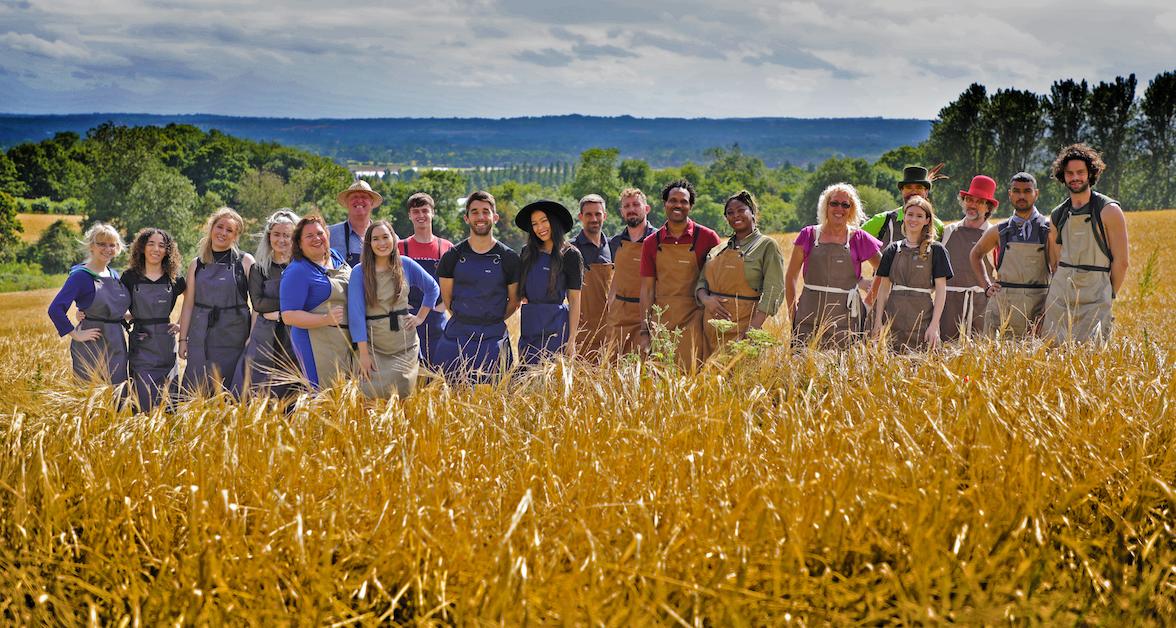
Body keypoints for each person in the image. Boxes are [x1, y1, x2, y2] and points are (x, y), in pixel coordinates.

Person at [1041, 144, 1129, 342]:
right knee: (1053, 355)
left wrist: (1108, 293)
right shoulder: (1057, 214)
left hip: (1096, 294)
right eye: (1069, 173)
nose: (1075, 177)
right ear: (1062, 176)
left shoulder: (1109, 210)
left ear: (1091, 173)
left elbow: (1122, 262)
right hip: (1060, 296)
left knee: (1092, 356)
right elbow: (1055, 263)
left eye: (1080, 172)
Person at [435, 191, 521, 382]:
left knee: (496, 398)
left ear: (495, 217)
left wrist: (491, 319)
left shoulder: (509, 258)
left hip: (494, 336)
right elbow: (448, 299)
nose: (480, 217)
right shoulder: (452, 256)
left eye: (486, 211)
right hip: (457, 336)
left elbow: (514, 301)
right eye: (474, 212)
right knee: (453, 397)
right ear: (466, 218)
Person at [349, 220, 439, 399]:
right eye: (375, 239)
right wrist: (364, 354)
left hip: (405, 345)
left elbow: (432, 288)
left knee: (405, 398)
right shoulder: (360, 272)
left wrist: (420, 318)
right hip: (375, 347)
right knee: (370, 396)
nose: (382, 243)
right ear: (369, 243)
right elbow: (356, 314)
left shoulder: (405, 264)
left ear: (393, 238)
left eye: (385, 237)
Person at [785, 183, 882, 347]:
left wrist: (868, 302)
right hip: (808, 316)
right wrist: (792, 313)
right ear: (825, 206)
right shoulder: (808, 235)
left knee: (844, 367)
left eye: (845, 205)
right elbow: (791, 277)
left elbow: (883, 269)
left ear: (851, 209)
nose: (840, 209)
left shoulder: (859, 238)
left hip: (847, 319)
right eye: (834, 203)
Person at [639, 179, 721, 370]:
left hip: (696, 321)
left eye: (683, 201)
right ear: (665, 204)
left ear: (691, 206)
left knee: (693, 375)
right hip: (661, 323)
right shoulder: (651, 242)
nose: (678, 205)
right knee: (660, 379)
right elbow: (647, 289)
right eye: (673, 200)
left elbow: (718, 282)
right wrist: (645, 330)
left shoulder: (708, 237)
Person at [696, 190, 786, 353]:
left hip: (744, 330)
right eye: (730, 213)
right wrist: (706, 299)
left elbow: (775, 291)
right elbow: (701, 282)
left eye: (741, 210)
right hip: (710, 330)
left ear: (752, 212)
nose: (735, 215)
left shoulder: (766, 246)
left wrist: (752, 330)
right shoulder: (718, 249)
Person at [178, 208, 254, 395]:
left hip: (234, 335)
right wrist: (182, 339)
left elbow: (258, 306)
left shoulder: (245, 262)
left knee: (231, 390)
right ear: (211, 228)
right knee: (197, 388)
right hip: (200, 335)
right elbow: (188, 306)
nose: (223, 233)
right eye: (219, 227)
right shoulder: (197, 264)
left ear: (236, 236)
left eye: (229, 230)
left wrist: (252, 337)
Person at [47, 223, 131, 386]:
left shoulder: (114, 274)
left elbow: (115, 310)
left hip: (116, 342)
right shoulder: (80, 276)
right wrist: (76, 334)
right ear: (91, 246)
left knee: (118, 395)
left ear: (118, 248)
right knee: (89, 397)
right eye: (102, 244)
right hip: (92, 344)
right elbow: (55, 309)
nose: (107, 249)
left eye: (112, 245)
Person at [969, 172, 1052, 338]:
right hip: (1003, 306)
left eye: (1027, 191)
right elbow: (975, 254)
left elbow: (1057, 269)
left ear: (1036, 193)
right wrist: (986, 286)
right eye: (1016, 191)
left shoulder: (1049, 229)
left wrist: (1049, 307)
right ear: (1009, 194)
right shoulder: (1000, 230)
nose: (1021, 196)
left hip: (1038, 305)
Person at [280, 215, 354, 389]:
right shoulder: (297, 271)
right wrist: (325, 319)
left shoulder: (335, 257)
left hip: (345, 340)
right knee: (322, 395)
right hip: (315, 344)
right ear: (299, 242)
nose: (316, 238)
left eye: (320, 233)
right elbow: (288, 316)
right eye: (309, 236)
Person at [232, 209, 300, 399]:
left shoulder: (302, 267)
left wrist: (278, 311)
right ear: (269, 237)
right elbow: (259, 304)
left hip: (296, 334)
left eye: (287, 235)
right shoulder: (259, 268)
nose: (281, 240)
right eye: (276, 234)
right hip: (265, 335)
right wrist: (289, 309)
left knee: (291, 388)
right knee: (257, 387)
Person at [873, 195, 952, 350]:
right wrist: (877, 321)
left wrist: (934, 325)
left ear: (927, 220)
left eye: (919, 216)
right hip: (893, 320)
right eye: (910, 214)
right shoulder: (892, 249)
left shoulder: (936, 250)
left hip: (923, 320)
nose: (913, 219)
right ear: (904, 217)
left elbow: (941, 290)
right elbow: (883, 289)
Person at [862, 165, 947, 307]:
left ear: (926, 192)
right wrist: (877, 265)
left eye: (919, 187)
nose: (913, 191)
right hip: (881, 298)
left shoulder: (937, 226)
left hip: (918, 302)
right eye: (908, 187)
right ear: (902, 191)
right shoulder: (883, 220)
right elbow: (853, 242)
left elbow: (940, 267)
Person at [122, 228, 185, 410]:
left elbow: (192, 300)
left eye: (162, 245)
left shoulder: (173, 278)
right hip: (141, 343)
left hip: (166, 345)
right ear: (142, 248)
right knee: (142, 399)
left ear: (168, 251)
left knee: (168, 400)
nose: (156, 249)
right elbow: (116, 303)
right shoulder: (129, 277)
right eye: (151, 244)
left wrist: (181, 323)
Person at [515, 200, 584, 364]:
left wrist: (572, 340)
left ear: (554, 221)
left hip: (556, 328)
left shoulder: (570, 254)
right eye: (535, 224)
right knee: (526, 381)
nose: (540, 228)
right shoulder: (526, 253)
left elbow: (574, 300)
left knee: (552, 383)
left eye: (544, 221)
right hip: (530, 326)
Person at [397, 192, 453, 368]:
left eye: (424, 210)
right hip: (407, 320)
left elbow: (455, 282)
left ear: (433, 213)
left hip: (437, 321)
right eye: (415, 211)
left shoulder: (446, 247)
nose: (420, 215)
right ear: (409, 215)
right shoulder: (400, 247)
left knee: (438, 374)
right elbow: (388, 282)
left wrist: (443, 306)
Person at [938, 175, 997, 341]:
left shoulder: (994, 236)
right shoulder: (948, 232)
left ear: (988, 207)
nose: (972, 205)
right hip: (948, 307)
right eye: (969, 199)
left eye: (979, 201)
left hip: (981, 307)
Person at [606, 188, 656, 354]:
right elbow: (616, 277)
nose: (631, 209)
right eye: (626, 206)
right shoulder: (615, 242)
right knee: (614, 367)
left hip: (647, 315)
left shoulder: (658, 240)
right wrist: (611, 308)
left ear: (646, 208)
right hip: (619, 315)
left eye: (636, 204)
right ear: (622, 212)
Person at [570, 194, 612, 360]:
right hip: (582, 334)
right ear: (581, 217)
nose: (594, 218)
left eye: (598, 214)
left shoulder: (614, 246)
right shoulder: (570, 249)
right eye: (588, 214)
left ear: (605, 216)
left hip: (610, 334)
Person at [330, 180, 380, 267]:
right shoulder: (329, 234)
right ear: (347, 202)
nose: (359, 200)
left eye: (364, 197)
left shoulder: (386, 236)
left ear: (372, 202)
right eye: (354, 197)